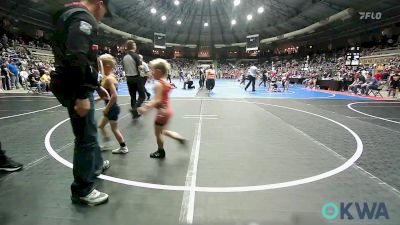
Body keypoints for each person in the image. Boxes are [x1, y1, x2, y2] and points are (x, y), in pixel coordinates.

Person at [51, 0, 112, 206]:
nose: (103, 16)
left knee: (90, 130)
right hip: (75, 86)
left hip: (72, 82)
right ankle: (82, 190)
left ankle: (94, 165)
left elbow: (79, 59)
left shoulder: (67, 15)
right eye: (104, 11)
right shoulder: (82, 18)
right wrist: (81, 95)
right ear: (100, 4)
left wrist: (95, 85)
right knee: (85, 137)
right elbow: (77, 56)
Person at [138, 59, 186, 159]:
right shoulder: (165, 82)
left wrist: (146, 108)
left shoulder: (159, 84)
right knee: (163, 131)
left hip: (162, 112)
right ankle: (178, 137)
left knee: (158, 133)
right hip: (168, 110)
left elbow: (157, 100)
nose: (151, 72)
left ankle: (160, 151)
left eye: (153, 70)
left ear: (159, 71)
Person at [97, 54, 128, 154]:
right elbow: (106, 95)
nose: (98, 67)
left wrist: (107, 108)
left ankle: (123, 147)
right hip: (110, 107)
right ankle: (107, 144)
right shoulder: (108, 77)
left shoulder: (109, 78)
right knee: (101, 126)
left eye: (99, 65)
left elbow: (114, 96)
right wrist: (96, 99)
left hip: (112, 108)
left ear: (107, 66)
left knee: (114, 129)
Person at [123, 40, 144, 119]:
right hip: (136, 78)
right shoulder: (136, 56)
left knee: (133, 97)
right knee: (142, 96)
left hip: (128, 79)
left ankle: (135, 114)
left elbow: (124, 69)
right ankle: (135, 108)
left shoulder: (124, 57)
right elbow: (140, 68)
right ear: (134, 46)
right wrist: (141, 64)